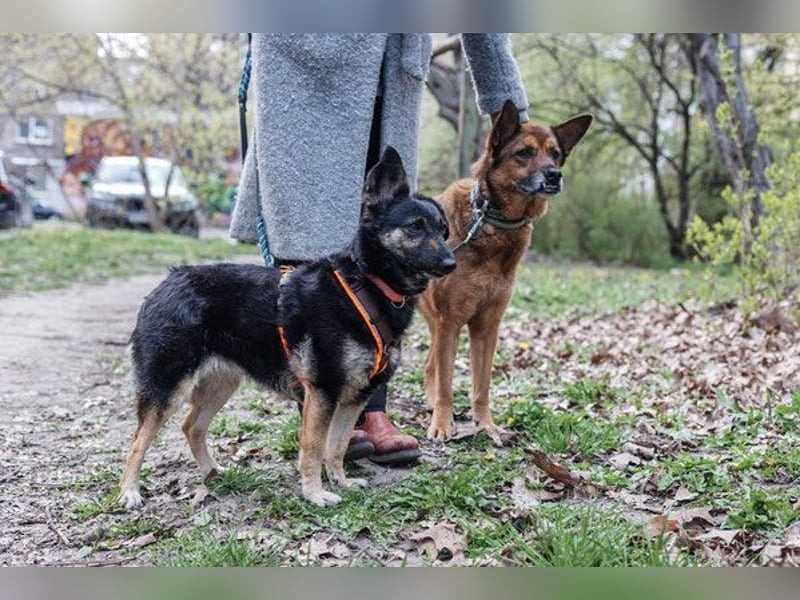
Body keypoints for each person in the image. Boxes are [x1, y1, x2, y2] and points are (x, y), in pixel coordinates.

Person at [231, 33, 529, 465]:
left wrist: (506, 99)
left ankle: (370, 409)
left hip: (389, 64)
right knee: (307, 232)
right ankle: (322, 410)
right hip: (298, 54)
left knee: (387, 238)